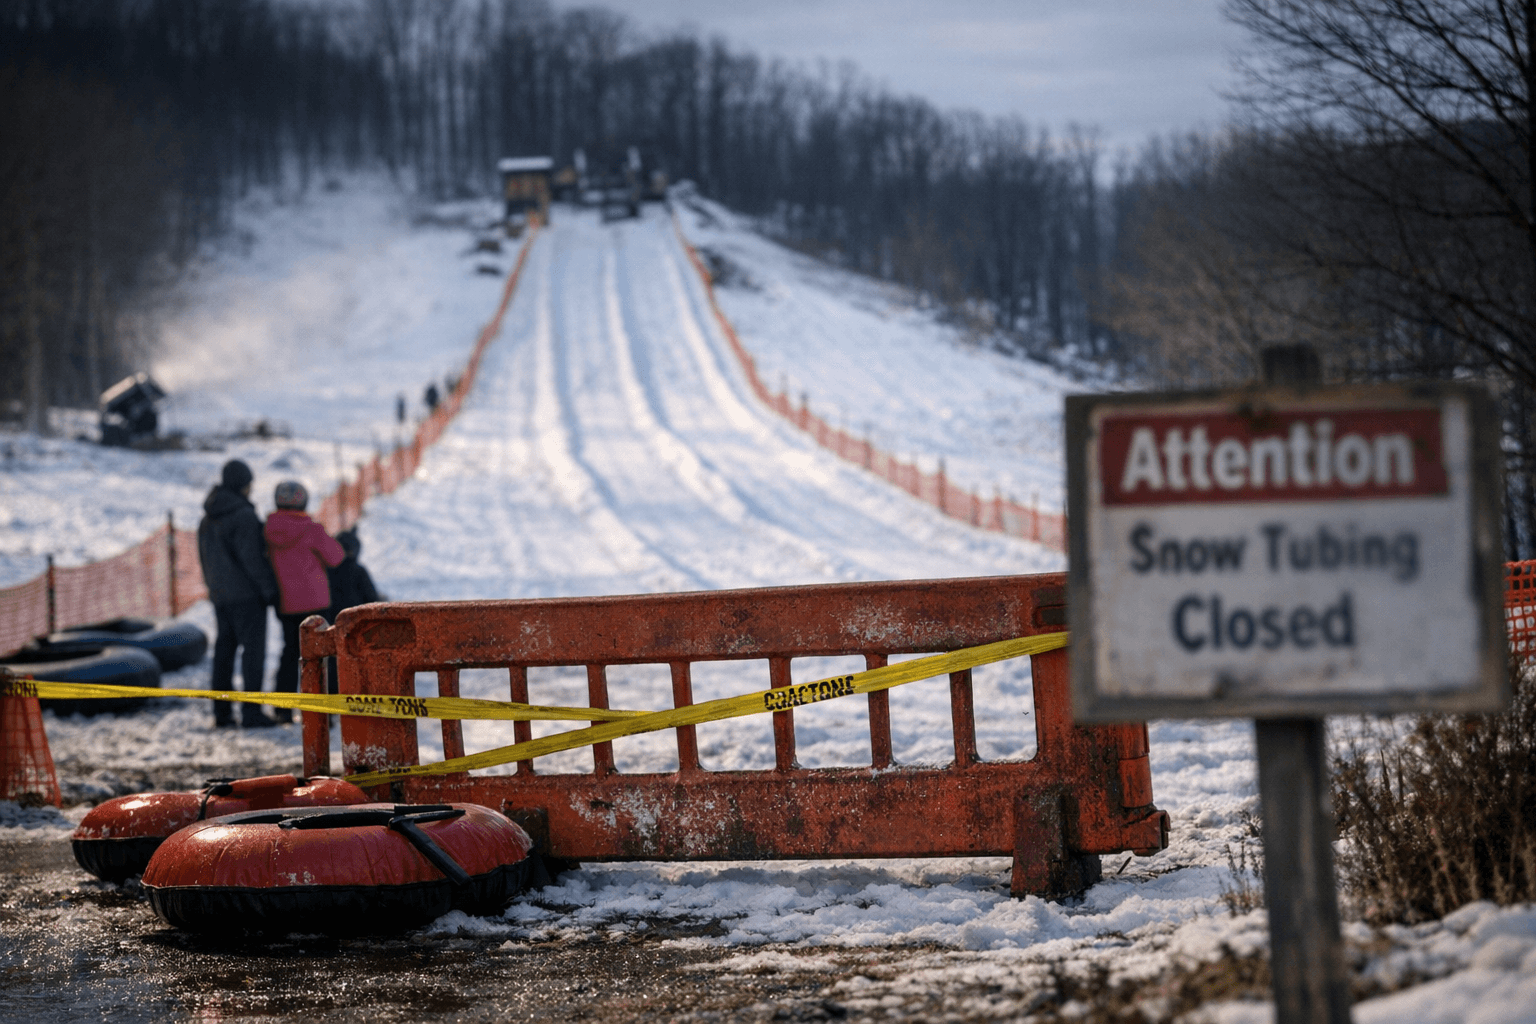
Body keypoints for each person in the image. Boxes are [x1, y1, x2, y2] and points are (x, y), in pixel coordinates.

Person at [197, 459, 280, 729]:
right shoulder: (243, 516)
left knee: (224, 654)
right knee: (252, 655)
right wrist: (269, 590)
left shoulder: (208, 518)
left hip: (220, 596)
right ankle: (251, 713)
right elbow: (253, 560)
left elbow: (204, 558)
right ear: (243, 484)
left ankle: (221, 713)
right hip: (247, 596)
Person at [264, 480, 344, 722]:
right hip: (316, 601)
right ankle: (322, 711)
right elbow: (336, 557)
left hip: (286, 602)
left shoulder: (268, 530)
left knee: (290, 652)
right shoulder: (311, 529)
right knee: (321, 655)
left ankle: (282, 709)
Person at [324, 528, 382, 694]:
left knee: (333, 660)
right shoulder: (358, 570)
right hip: (357, 625)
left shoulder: (328, 570)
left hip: (332, 623)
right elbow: (371, 598)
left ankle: (333, 692)